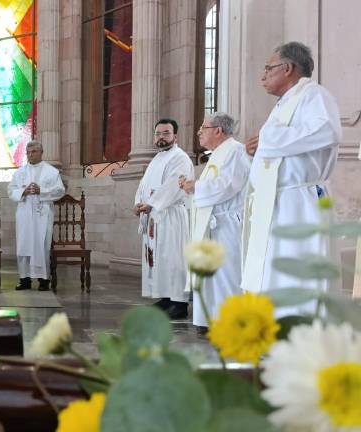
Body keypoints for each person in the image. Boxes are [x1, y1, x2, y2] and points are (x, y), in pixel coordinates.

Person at [241, 42, 342, 316]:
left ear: (287, 68)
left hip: (300, 202)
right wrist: (257, 152)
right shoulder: (283, 105)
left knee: (298, 273)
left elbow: (328, 131)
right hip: (276, 202)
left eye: (268, 68)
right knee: (274, 273)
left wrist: (267, 141)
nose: (263, 75)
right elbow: (277, 152)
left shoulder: (314, 95)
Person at [179, 113, 250, 330]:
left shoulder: (236, 151)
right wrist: (193, 186)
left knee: (226, 275)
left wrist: (196, 187)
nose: (199, 131)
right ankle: (208, 318)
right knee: (210, 276)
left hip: (226, 225)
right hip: (212, 225)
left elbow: (230, 184)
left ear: (218, 130)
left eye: (203, 127)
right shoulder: (218, 153)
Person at [134, 119, 194, 319]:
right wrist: (138, 202)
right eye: (158, 133)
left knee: (174, 258)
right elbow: (143, 185)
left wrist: (152, 203)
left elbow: (173, 186)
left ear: (175, 136)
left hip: (171, 216)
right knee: (159, 259)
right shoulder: (156, 159)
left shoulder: (180, 158)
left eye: (166, 133)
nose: (161, 137)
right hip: (154, 216)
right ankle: (166, 297)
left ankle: (180, 302)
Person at [7, 141, 65, 291]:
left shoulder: (51, 171)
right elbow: (10, 191)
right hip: (24, 214)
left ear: (41, 152)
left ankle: (43, 280)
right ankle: (24, 279)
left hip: (42, 214)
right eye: (28, 152)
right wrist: (23, 192)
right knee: (23, 245)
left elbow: (60, 191)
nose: (30, 155)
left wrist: (42, 190)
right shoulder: (19, 172)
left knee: (42, 245)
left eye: (33, 152)